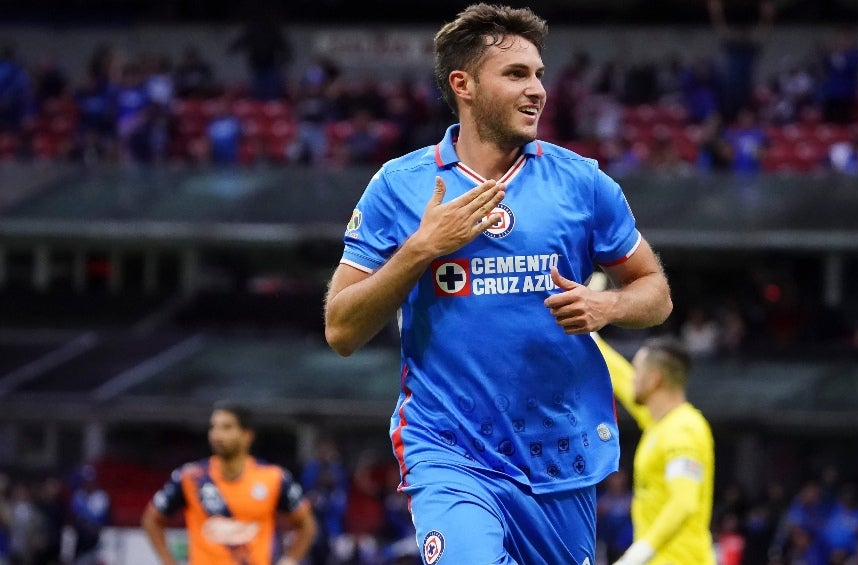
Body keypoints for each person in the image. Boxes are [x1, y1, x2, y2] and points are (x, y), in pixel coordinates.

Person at [322, 4, 672, 564]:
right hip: (449, 449)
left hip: (559, 454)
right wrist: (420, 250)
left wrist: (606, 306)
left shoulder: (582, 182)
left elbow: (655, 291)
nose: (537, 90)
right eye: (516, 74)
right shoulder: (400, 186)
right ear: (463, 85)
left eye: (538, 74)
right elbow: (341, 328)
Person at [141, 401, 316, 565]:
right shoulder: (190, 477)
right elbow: (152, 519)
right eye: (214, 427)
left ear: (247, 435)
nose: (217, 435)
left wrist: (289, 561)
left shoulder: (274, 478)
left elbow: (307, 526)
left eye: (227, 427)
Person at [593, 334, 715, 565]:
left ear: (654, 380)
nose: (633, 378)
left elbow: (684, 501)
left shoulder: (684, 430)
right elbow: (622, 379)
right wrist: (592, 339)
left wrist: (641, 551)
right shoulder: (659, 423)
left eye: (637, 371)